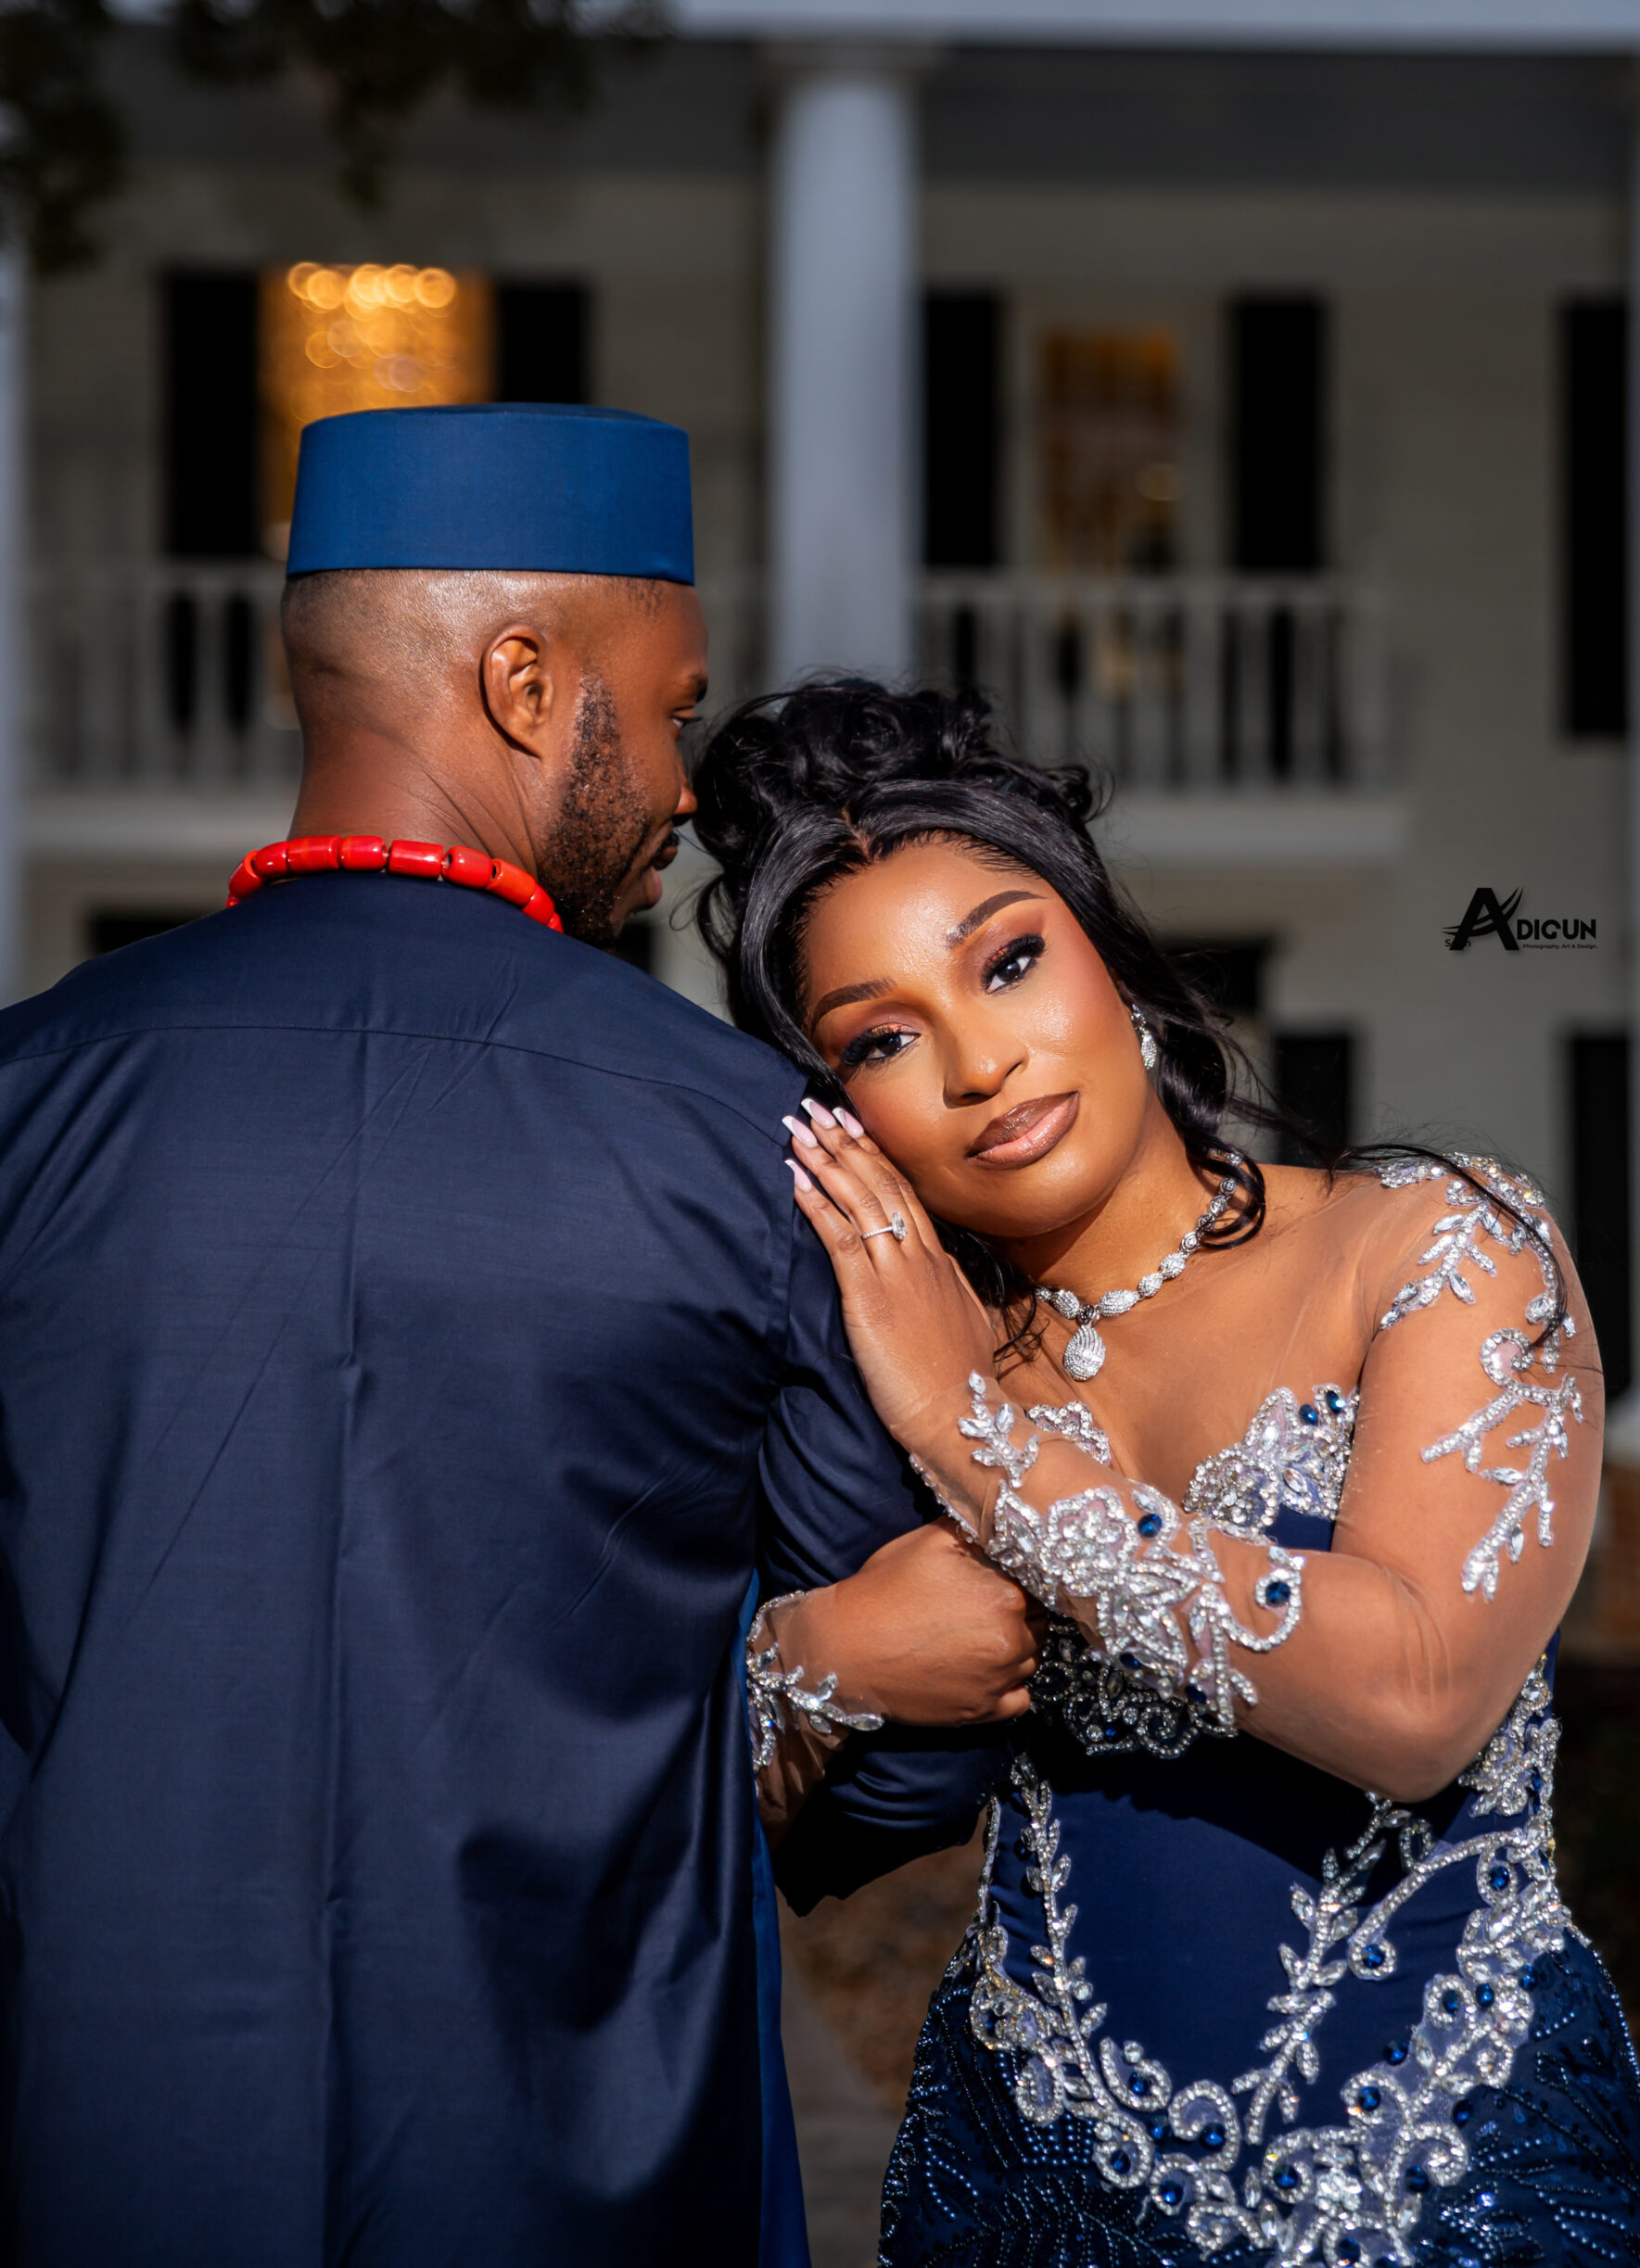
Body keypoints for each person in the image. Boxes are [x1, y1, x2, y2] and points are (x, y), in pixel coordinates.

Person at [0, 409, 1036, 2266]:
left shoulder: (29, 1100)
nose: (688, 789)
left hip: (93, 2155)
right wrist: (757, 1692)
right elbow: (911, 1737)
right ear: (525, 681)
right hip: (580, 2168)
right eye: (673, 709)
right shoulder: (765, 1150)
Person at [692, 677, 1640, 2268]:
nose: (981, 1063)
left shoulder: (1436, 1248)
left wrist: (975, 1442)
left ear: (1109, 955)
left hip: (1449, 2195)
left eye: (1009, 960)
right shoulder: (882, 1368)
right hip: (1022, 2195)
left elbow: (1417, 1698)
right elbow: (691, 1826)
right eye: (886, 1038)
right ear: (846, 1122)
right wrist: (804, 1663)